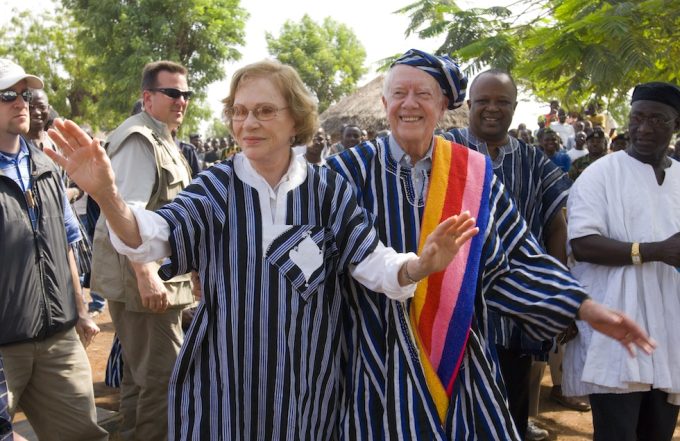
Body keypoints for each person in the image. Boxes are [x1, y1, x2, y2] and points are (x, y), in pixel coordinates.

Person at [47, 59, 479, 441]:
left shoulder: (327, 190)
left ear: (296, 120)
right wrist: (107, 196)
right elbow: (152, 235)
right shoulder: (217, 188)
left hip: (307, 387)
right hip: (224, 386)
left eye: (264, 111)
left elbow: (372, 261)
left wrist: (418, 265)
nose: (247, 123)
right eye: (239, 111)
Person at [326, 49, 654, 440]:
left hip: (459, 360)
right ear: (384, 103)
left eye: (423, 95)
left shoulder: (472, 174)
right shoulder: (344, 172)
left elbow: (514, 260)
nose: (409, 104)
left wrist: (582, 307)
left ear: (443, 105)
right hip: (373, 359)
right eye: (399, 94)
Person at [443, 68, 574, 439]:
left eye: (502, 101)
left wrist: (554, 293)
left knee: (511, 412)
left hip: (515, 314)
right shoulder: (444, 150)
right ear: (469, 104)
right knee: (452, 413)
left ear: (514, 107)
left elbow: (556, 226)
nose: (492, 109)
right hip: (454, 310)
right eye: (483, 100)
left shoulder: (533, 161)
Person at [563, 81, 680, 441]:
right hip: (615, 331)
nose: (644, 128)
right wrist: (653, 251)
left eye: (657, 120)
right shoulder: (601, 174)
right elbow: (582, 244)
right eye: (638, 118)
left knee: (658, 433)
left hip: (671, 331)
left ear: (675, 126)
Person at [88, 60, 196, 440]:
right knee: (164, 381)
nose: (181, 100)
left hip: (157, 281)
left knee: (139, 376)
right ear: (147, 97)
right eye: (172, 93)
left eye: (186, 94)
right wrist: (147, 274)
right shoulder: (139, 138)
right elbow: (126, 213)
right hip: (146, 284)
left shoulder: (162, 135)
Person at [0, 58, 106, 440]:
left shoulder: (45, 166)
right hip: (4, 348)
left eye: (24, 94)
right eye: (7, 95)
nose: (21, 103)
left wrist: (79, 309)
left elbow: (67, 242)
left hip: (58, 339)